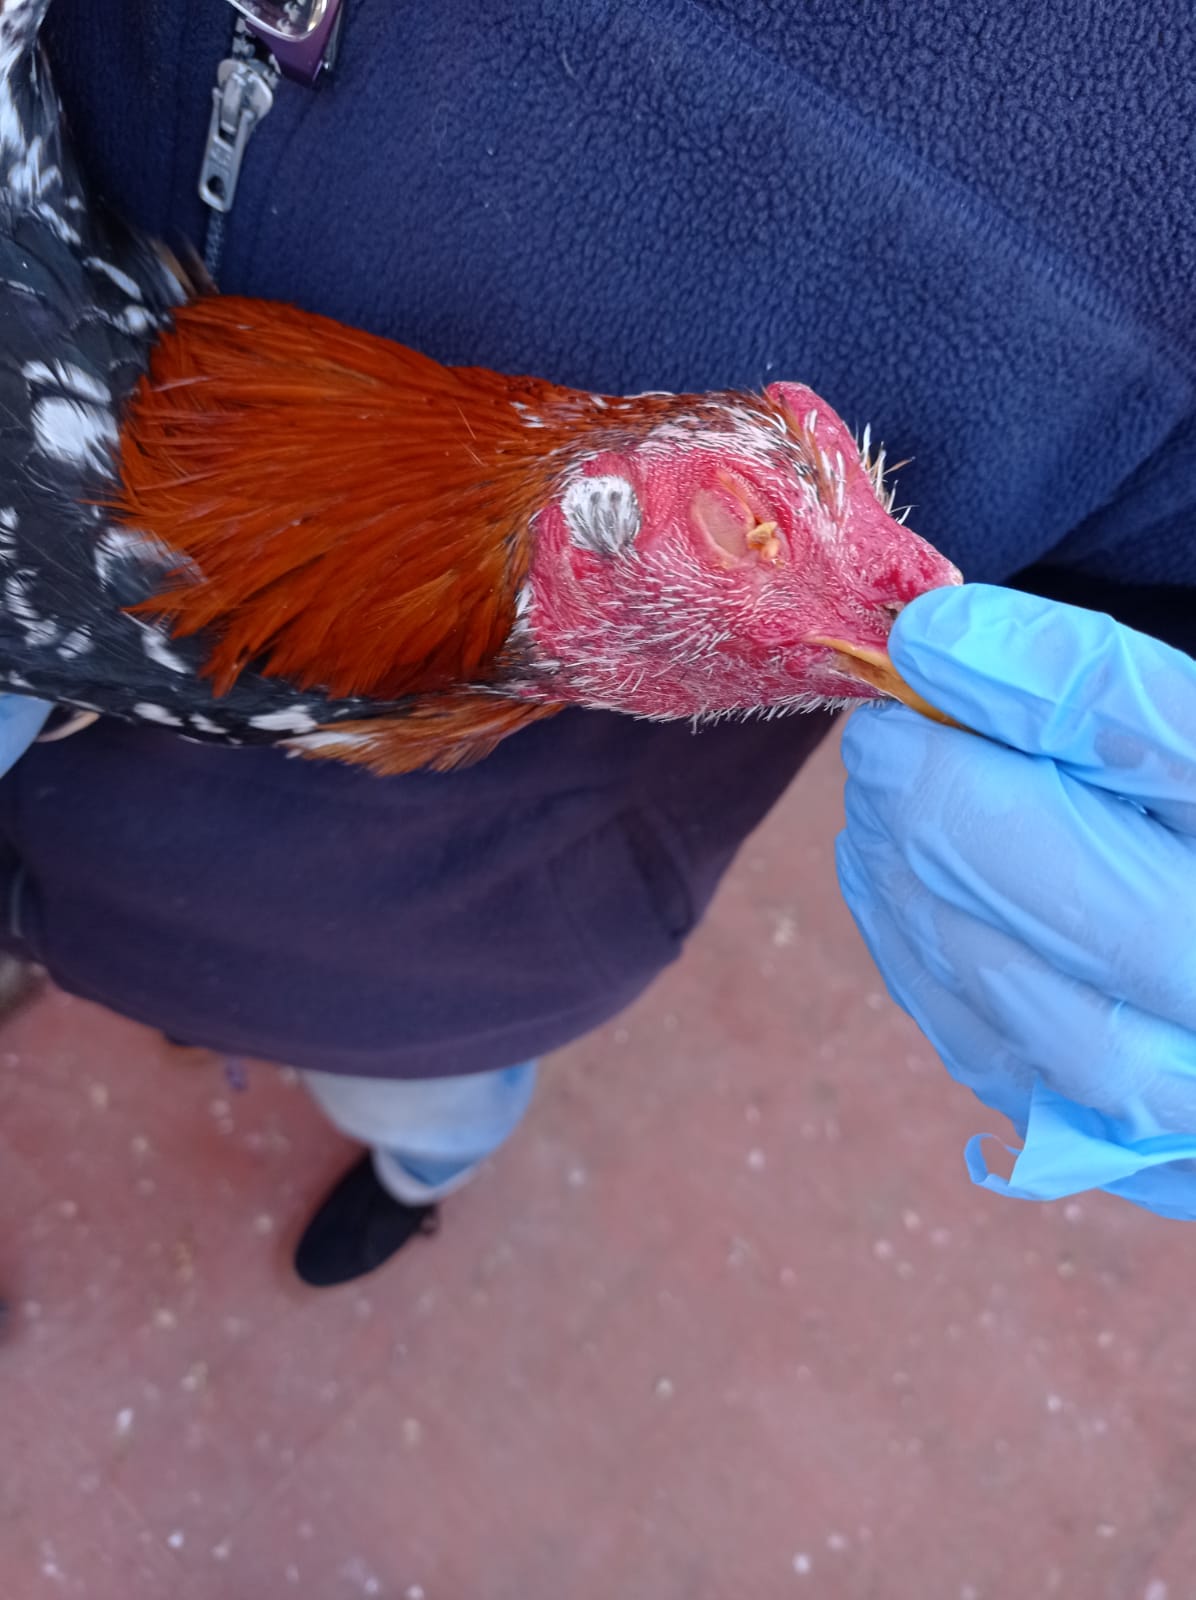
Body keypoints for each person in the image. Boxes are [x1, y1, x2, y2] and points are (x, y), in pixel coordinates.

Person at [0, 2, 1192, 1283]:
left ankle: (416, 1183)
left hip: (442, 936)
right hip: (73, 840)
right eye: (739, 533)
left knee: (418, 1103)